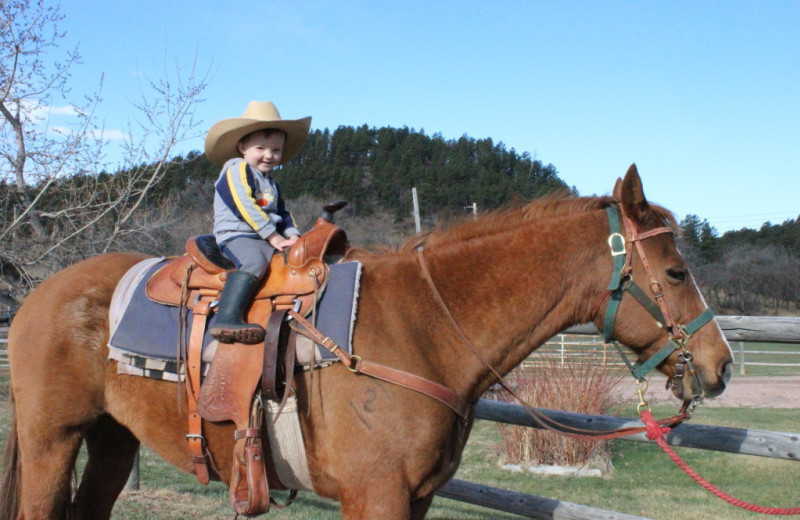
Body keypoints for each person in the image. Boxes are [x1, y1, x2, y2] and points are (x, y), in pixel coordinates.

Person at [204, 101, 311, 344]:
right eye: (260, 148)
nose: (268, 155)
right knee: (253, 262)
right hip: (239, 235)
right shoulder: (236, 168)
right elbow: (243, 205)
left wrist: (293, 235)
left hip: (267, 236)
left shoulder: (270, 181)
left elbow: (282, 213)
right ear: (242, 146)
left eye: (275, 150)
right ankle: (227, 318)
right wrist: (274, 237)